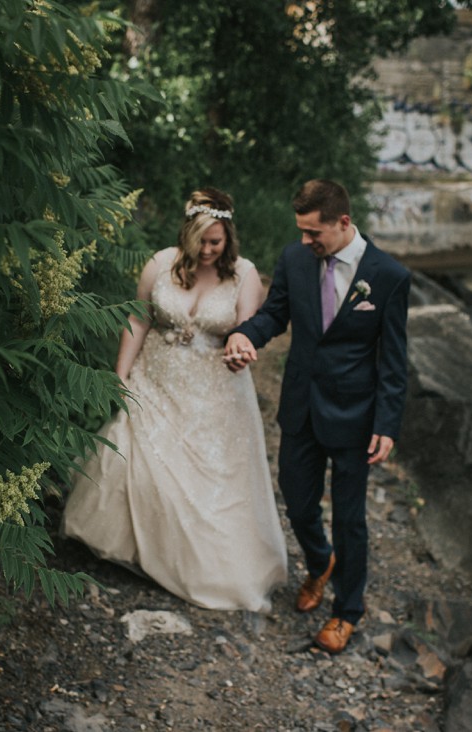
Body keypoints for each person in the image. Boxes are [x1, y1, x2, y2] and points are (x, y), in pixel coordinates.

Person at [62, 188, 288, 612]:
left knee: (208, 482)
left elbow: (247, 329)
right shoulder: (160, 263)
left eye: (215, 242)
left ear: (228, 238)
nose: (206, 250)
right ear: (187, 233)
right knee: (138, 459)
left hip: (214, 390)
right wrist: (121, 375)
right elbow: (138, 317)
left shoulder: (245, 274)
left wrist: (240, 350)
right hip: (156, 376)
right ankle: (138, 553)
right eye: (199, 240)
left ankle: (199, 565)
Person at [224, 179, 410, 653]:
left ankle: (347, 611)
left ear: (343, 223)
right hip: (302, 405)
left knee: (351, 519)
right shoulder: (294, 260)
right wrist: (247, 334)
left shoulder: (387, 275)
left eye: (314, 233)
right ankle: (320, 560)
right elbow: (275, 315)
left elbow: (393, 358)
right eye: (302, 232)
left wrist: (386, 424)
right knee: (298, 499)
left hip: (356, 416)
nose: (306, 242)